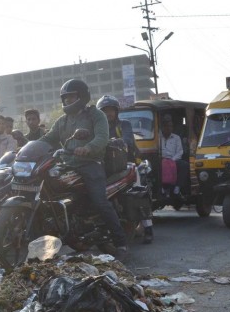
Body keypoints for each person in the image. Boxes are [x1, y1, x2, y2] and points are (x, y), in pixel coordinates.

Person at [40, 79, 127, 254]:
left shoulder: (95, 115)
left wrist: (88, 148)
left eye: (71, 97)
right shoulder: (62, 121)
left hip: (90, 163)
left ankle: (121, 243)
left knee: (99, 201)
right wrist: (26, 148)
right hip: (67, 164)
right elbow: (47, 139)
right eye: (65, 98)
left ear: (81, 96)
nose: (67, 101)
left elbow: (102, 138)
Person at [97, 95, 153, 244]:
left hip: (129, 164)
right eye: (105, 111)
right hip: (109, 167)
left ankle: (148, 230)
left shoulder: (124, 124)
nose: (109, 113)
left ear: (116, 111)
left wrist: (113, 142)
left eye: (111, 110)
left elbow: (128, 140)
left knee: (138, 195)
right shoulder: (99, 128)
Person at [159, 114, 188, 197]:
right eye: (166, 126)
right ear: (162, 127)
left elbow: (180, 152)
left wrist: (172, 160)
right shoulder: (158, 138)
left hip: (173, 160)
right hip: (162, 160)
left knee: (184, 165)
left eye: (170, 126)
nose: (168, 128)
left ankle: (177, 187)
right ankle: (161, 187)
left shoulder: (176, 138)